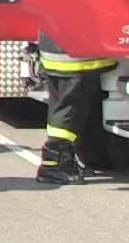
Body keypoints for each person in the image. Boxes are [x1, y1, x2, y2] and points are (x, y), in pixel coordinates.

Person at [34, 31, 118, 184]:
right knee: (69, 112)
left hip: (57, 52)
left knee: (62, 108)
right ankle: (54, 166)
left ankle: (58, 162)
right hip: (77, 56)